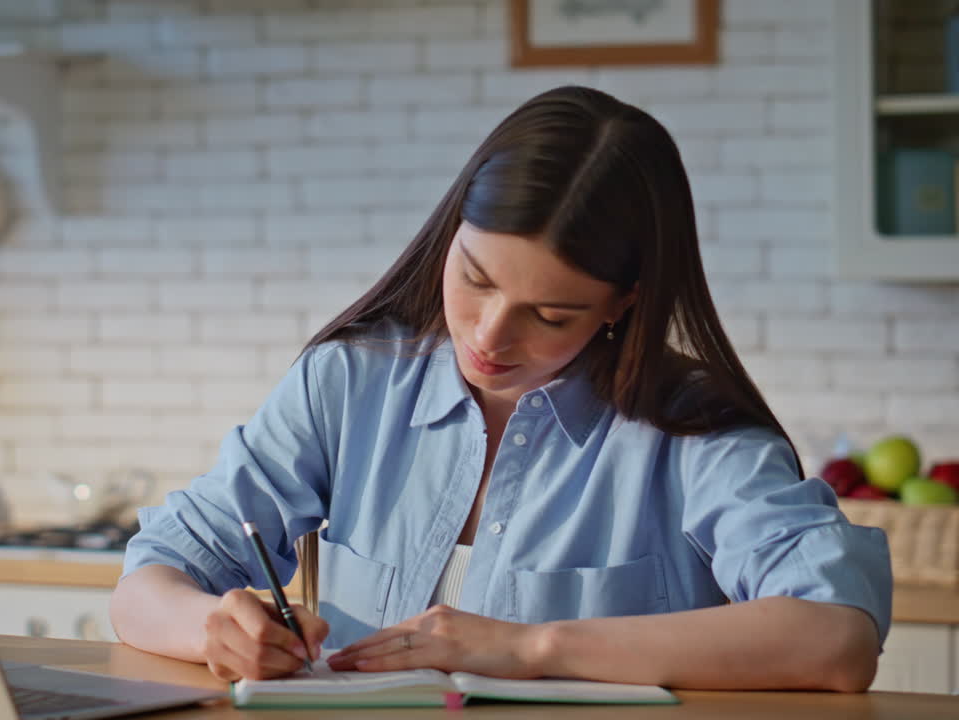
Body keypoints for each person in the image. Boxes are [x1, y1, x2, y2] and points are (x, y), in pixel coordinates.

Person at [109, 85, 891, 692]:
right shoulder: (348, 384)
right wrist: (213, 627)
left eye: (551, 314)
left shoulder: (696, 437)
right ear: (451, 234)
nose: (487, 336)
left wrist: (530, 647)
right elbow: (147, 579)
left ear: (625, 303)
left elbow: (837, 638)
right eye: (475, 279)